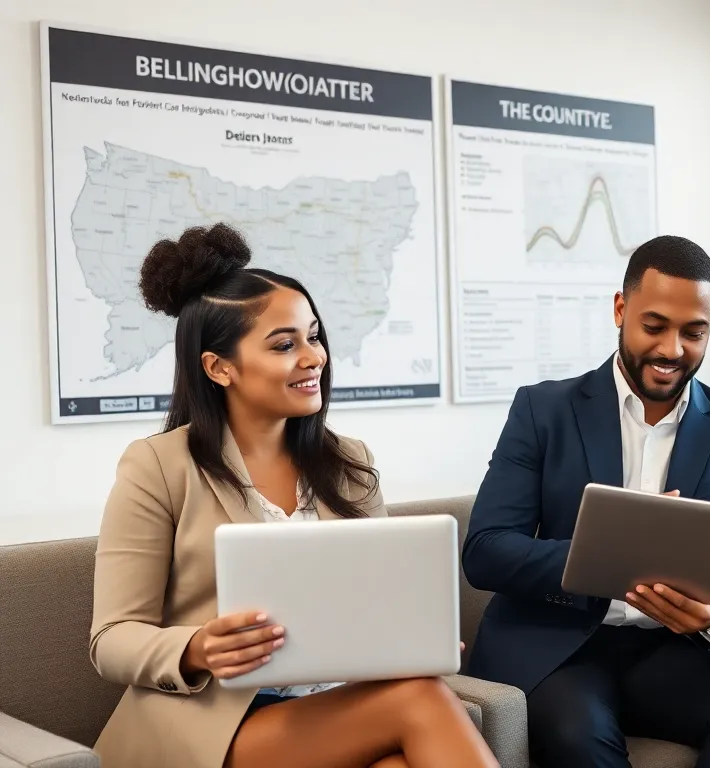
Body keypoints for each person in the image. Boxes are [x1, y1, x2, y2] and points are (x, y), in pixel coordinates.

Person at [89, 223, 498, 768]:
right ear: (219, 367)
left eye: (314, 336)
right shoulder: (159, 466)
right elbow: (111, 637)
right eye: (285, 344)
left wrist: (412, 640)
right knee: (421, 700)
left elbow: (373, 602)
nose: (314, 357)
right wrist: (198, 647)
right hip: (216, 721)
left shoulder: (349, 463)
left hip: (330, 708)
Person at [462, 235, 710, 767]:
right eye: (654, 326)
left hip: (673, 650)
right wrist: (609, 558)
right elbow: (485, 550)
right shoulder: (542, 410)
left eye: (694, 332)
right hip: (558, 648)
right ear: (621, 309)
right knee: (580, 733)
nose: (672, 350)